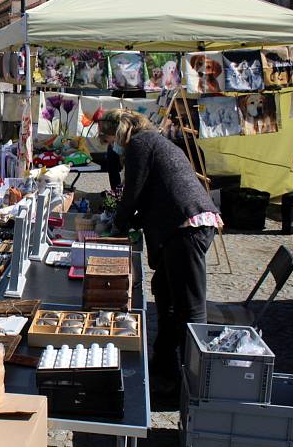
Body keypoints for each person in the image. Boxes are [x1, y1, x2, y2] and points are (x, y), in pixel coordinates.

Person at [98, 109, 220, 395]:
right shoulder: (152, 142)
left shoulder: (141, 144)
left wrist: (118, 225)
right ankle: (164, 365)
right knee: (164, 295)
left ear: (120, 131)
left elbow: (133, 192)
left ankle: (195, 384)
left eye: (108, 139)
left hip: (186, 226)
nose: (110, 146)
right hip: (182, 225)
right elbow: (154, 194)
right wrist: (131, 221)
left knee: (190, 307)